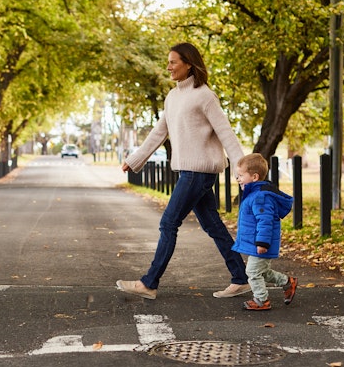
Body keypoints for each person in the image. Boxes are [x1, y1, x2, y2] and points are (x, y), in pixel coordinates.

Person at [115, 42, 250, 300]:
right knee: (213, 226)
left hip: (198, 172)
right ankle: (241, 278)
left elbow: (225, 132)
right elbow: (159, 132)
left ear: (189, 63)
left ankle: (149, 283)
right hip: (188, 171)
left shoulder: (204, 96)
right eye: (168, 62)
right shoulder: (173, 97)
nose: (169, 67)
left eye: (173, 62)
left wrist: (242, 168)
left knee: (169, 222)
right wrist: (135, 160)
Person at [232, 153, 298, 310]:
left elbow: (265, 221)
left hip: (261, 243)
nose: (238, 179)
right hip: (256, 242)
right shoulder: (254, 194)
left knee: (253, 271)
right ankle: (288, 282)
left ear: (254, 177)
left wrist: (262, 242)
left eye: (241, 175)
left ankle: (261, 300)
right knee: (262, 270)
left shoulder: (261, 197)